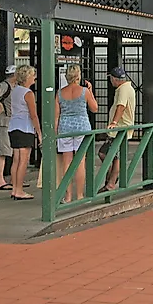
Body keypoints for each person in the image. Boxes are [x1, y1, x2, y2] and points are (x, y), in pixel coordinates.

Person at [54, 65, 98, 203]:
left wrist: (55, 133)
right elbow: (95, 108)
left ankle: (67, 196)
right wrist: (90, 91)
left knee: (66, 162)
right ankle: (79, 195)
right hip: (82, 127)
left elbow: (56, 116)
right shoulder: (84, 91)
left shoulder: (60, 93)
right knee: (80, 162)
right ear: (78, 76)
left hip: (65, 127)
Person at [8, 65, 42, 200]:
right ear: (27, 77)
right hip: (25, 127)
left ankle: (15, 188)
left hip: (13, 126)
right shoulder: (28, 93)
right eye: (33, 75)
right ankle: (19, 190)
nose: (34, 77)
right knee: (23, 160)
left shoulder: (15, 91)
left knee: (16, 160)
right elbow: (33, 115)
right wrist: (39, 132)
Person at [99, 67, 136, 192]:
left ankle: (111, 181)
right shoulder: (127, 87)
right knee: (113, 155)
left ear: (114, 79)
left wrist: (114, 122)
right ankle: (111, 180)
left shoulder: (123, 89)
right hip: (122, 128)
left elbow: (121, 105)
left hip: (120, 128)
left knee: (106, 154)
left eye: (111, 78)